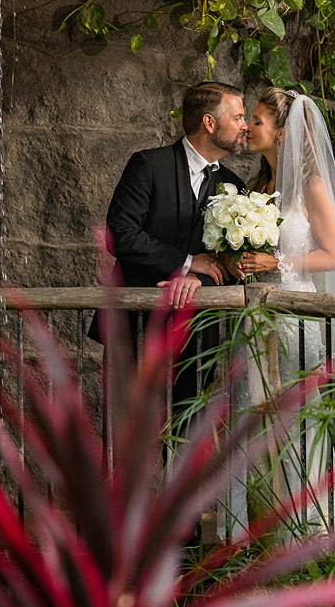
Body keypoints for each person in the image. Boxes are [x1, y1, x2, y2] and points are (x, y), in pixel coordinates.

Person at [220, 87, 335, 536]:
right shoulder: (256, 187)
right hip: (255, 320)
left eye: (257, 121)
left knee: (298, 421)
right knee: (250, 419)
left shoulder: (311, 186)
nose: (248, 128)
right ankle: (251, 530)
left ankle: (315, 528)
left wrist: (276, 263)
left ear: (281, 132)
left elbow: (332, 255)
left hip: (295, 319)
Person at [105, 81, 247, 411]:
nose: (244, 126)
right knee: (132, 432)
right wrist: (186, 262)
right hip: (138, 323)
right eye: (238, 117)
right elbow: (120, 235)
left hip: (201, 330)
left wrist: (200, 278)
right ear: (210, 123)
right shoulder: (148, 166)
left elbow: (231, 264)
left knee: (188, 427)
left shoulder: (234, 186)